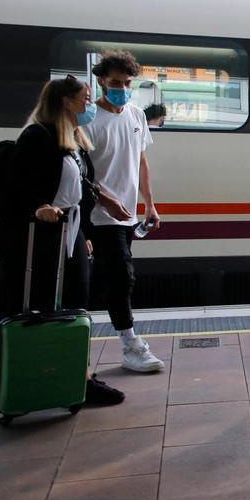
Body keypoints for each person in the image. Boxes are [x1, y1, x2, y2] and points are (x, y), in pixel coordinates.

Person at [0, 75, 130, 406]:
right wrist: (38, 207)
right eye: (84, 98)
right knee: (23, 308)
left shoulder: (72, 139)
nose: (89, 104)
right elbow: (19, 184)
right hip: (31, 237)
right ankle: (56, 377)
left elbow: (81, 183)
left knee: (73, 306)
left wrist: (87, 225)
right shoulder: (36, 136)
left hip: (69, 233)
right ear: (65, 101)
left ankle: (77, 378)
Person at [82, 51, 165, 373]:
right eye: (116, 82)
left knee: (100, 280)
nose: (122, 88)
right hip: (98, 216)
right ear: (101, 81)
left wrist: (149, 204)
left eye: (127, 83)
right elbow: (81, 172)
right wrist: (106, 201)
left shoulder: (135, 115)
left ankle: (67, 343)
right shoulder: (87, 120)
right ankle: (131, 346)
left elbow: (141, 161)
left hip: (127, 215)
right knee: (120, 278)